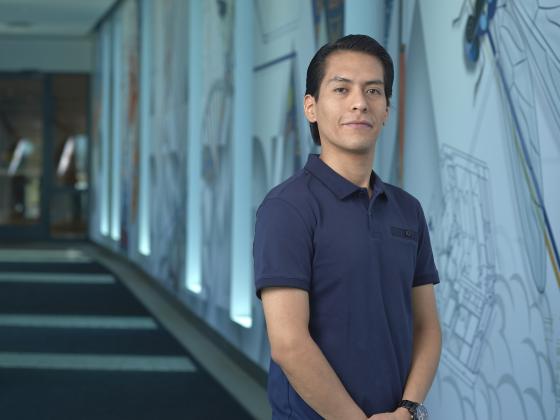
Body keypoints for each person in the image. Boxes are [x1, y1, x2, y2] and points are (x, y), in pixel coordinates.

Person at [253, 34, 441, 420]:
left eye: (373, 90)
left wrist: (407, 409)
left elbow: (426, 327)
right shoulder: (287, 208)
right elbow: (288, 343)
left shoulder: (408, 210)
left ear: (386, 109)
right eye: (342, 89)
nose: (360, 102)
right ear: (311, 107)